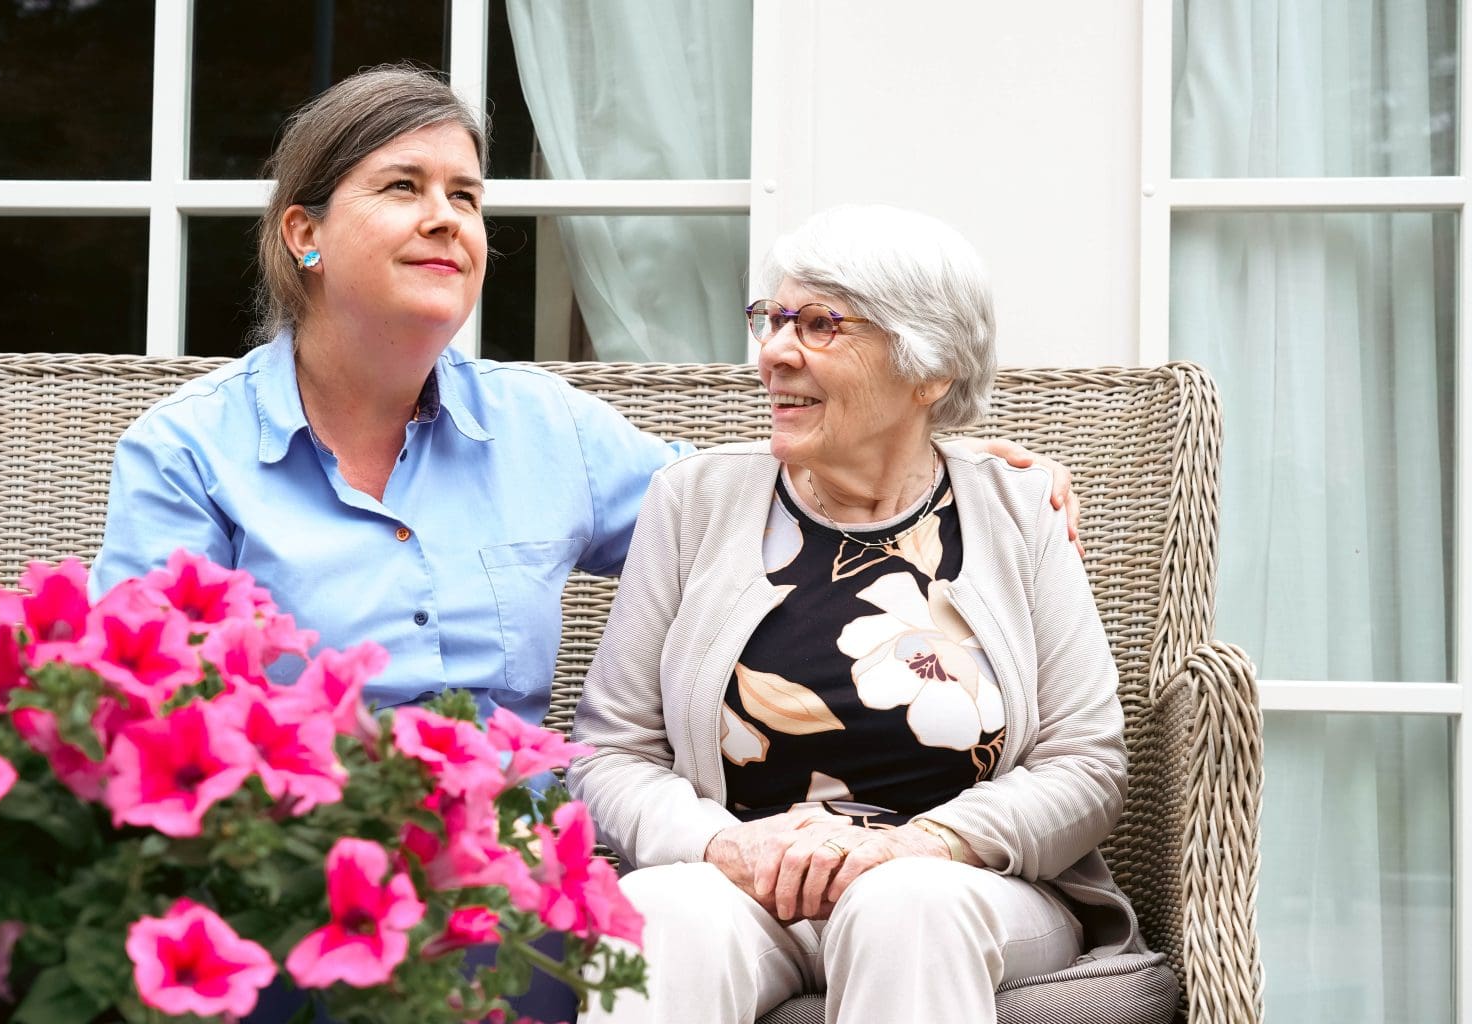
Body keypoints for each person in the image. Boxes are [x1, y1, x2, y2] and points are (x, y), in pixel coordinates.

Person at [90, 66, 1078, 1020]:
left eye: (467, 197)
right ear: (303, 232)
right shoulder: (188, 455)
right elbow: (138, 715)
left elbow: (766, 507)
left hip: (505, 876)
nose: (448, 218)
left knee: (569, 938)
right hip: (295, 866)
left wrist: (937, 460)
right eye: (404, 187)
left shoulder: (545, 431)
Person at [567, 204, 1144, 1024]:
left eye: (819, 324)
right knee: (663, 913)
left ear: (929, 369)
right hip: (747, 887)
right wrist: (724, 845)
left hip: (966, 887)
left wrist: (919, 845)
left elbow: (1087, 767)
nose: (772, 352)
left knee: (903, 904)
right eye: (771, 318)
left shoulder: (1018, 513)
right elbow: (611, 754)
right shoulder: (692, 502)